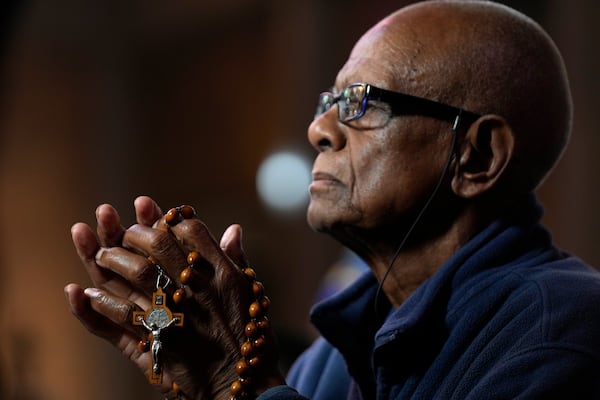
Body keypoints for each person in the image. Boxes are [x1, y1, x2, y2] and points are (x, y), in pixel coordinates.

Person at [64, 0, 600, 399]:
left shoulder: (560, 336)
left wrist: (241, 382)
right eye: (330, 100)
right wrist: (204, 381)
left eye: (360, 102)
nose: (319, 128)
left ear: (477, 156)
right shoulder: (331, 357)